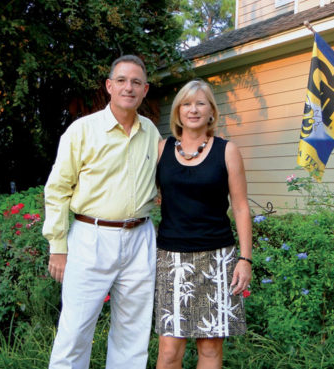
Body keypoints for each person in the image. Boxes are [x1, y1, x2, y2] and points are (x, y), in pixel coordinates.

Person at [42, 55, 161, 369]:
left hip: (140, 239)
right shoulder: (82, 131)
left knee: (133, 334)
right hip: (90, 237)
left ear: (145, 89)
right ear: (109, 86)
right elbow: (56, 190)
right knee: (75, 331)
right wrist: (58, 246)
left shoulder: (151, 132)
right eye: (121, 80)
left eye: (136, 82)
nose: (129, 87)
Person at [154, 80, 253, 369]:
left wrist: (245, 258)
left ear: (211, 111)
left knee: (209, 348)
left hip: (217, 259)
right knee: (170, 349)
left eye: (200, 103)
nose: (193, 109)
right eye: (186, 103)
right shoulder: (162, 149)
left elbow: (241, 207)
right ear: (177, 111)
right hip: (171, 260)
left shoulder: (227, 150)